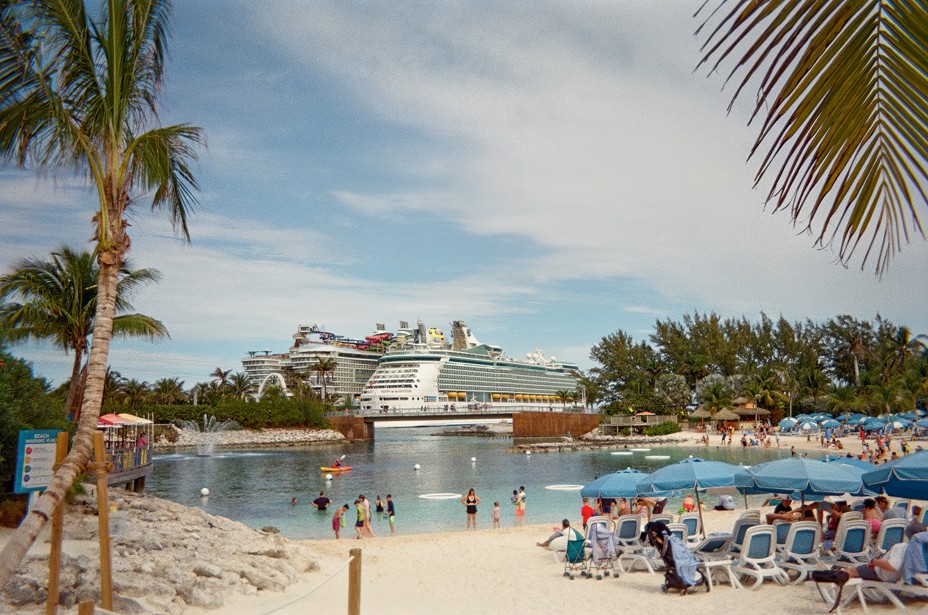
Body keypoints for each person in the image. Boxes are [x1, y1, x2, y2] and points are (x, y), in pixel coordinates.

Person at [844, 540, 909, 582]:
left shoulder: (901, 547)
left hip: (883, 574)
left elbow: (892, 566)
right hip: (897, 576)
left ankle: (843, 595)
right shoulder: (914, 549)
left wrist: (874, 561)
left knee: (851, 570)